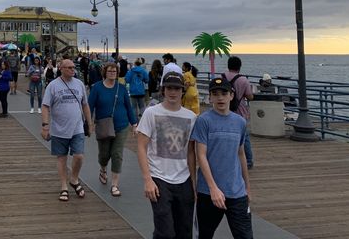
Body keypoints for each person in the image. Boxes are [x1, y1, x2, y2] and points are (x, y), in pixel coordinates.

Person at [137, 72, 197, 238]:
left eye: (177, 88)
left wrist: (193, 181)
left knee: (184, 231)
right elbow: (141, 147)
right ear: (163, 90)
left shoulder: (191, 117)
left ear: (182, 91)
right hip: (159, 178)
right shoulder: (151, 113)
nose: (173, 92)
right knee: (165, 232)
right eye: (169, 88)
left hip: (183, 179)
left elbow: (191, 152)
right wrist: (147, 180)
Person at [191, 75, 253, 239]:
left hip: (236, 191)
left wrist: (247, 187)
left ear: (231, 96)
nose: (220, 97)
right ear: (210, 97)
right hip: (208, 192)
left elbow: (241, 155)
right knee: (205, 234)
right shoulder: (204, 121)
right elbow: (201, 155)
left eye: (224, 93)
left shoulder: (240, 122)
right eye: (215, 93)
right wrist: (213, 188)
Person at [41, 59, 93, 202]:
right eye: (69, 68)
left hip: (77, 127)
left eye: (73, 67)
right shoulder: (53, 86)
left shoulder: (79, 84)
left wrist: (89, 123)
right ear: (61, 69)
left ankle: (74, 179)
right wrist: (45, 126)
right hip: (59, 129)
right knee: (61, 158)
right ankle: (64, 186)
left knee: (79, 156)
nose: (72, 70)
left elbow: (85, 105)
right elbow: (45, 106)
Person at [88, 62, 137, 197]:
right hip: (103, 126)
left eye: (114, 72)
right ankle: (103, 169)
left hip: (121, 126)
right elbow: (89, 106)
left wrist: (134, 124)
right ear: (105, 72)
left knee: (117, 154)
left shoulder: (121, 88)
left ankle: (114, 184)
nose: (112, 74)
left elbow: (128, 107)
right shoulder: (97, 88)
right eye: (110, 71)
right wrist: (89, 123)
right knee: (104, 155)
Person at [223, 56, 254, 169]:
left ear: (228, 65)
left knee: (225, 136)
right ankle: (249, 161)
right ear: (239, 67)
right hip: (240, 112)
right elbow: (250, 96)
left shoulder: (222, 77)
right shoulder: (243, 80)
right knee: (244, 138)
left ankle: (228, 158)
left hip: (224, 111)